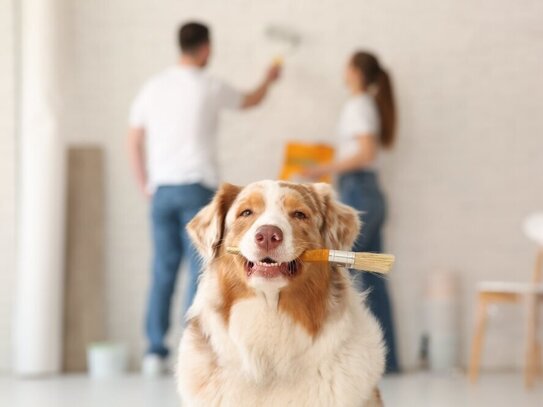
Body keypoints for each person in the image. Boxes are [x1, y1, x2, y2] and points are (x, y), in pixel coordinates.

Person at [127, 21, 281, 376]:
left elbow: (133, 139)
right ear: (207, 48)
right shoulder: (210, 86)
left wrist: (145, 185)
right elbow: (251, 100)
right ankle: (190, 346)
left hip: (161, 191)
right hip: (196, 190)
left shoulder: (153, 87)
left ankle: (154, 351)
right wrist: (269, 78)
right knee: (201, 270)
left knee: (162, 270)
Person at [302, 51, 399, 373]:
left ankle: (333, 359)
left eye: (347, 65)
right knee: (371, 272)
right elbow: (361, 148)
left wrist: (324, 168)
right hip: (368, 192)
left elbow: (366, 151)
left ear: (356, 72)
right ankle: (388, 361)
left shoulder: (358, 105)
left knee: (337, 271)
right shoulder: (365, 105)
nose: (343, 70)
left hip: (360, 192)